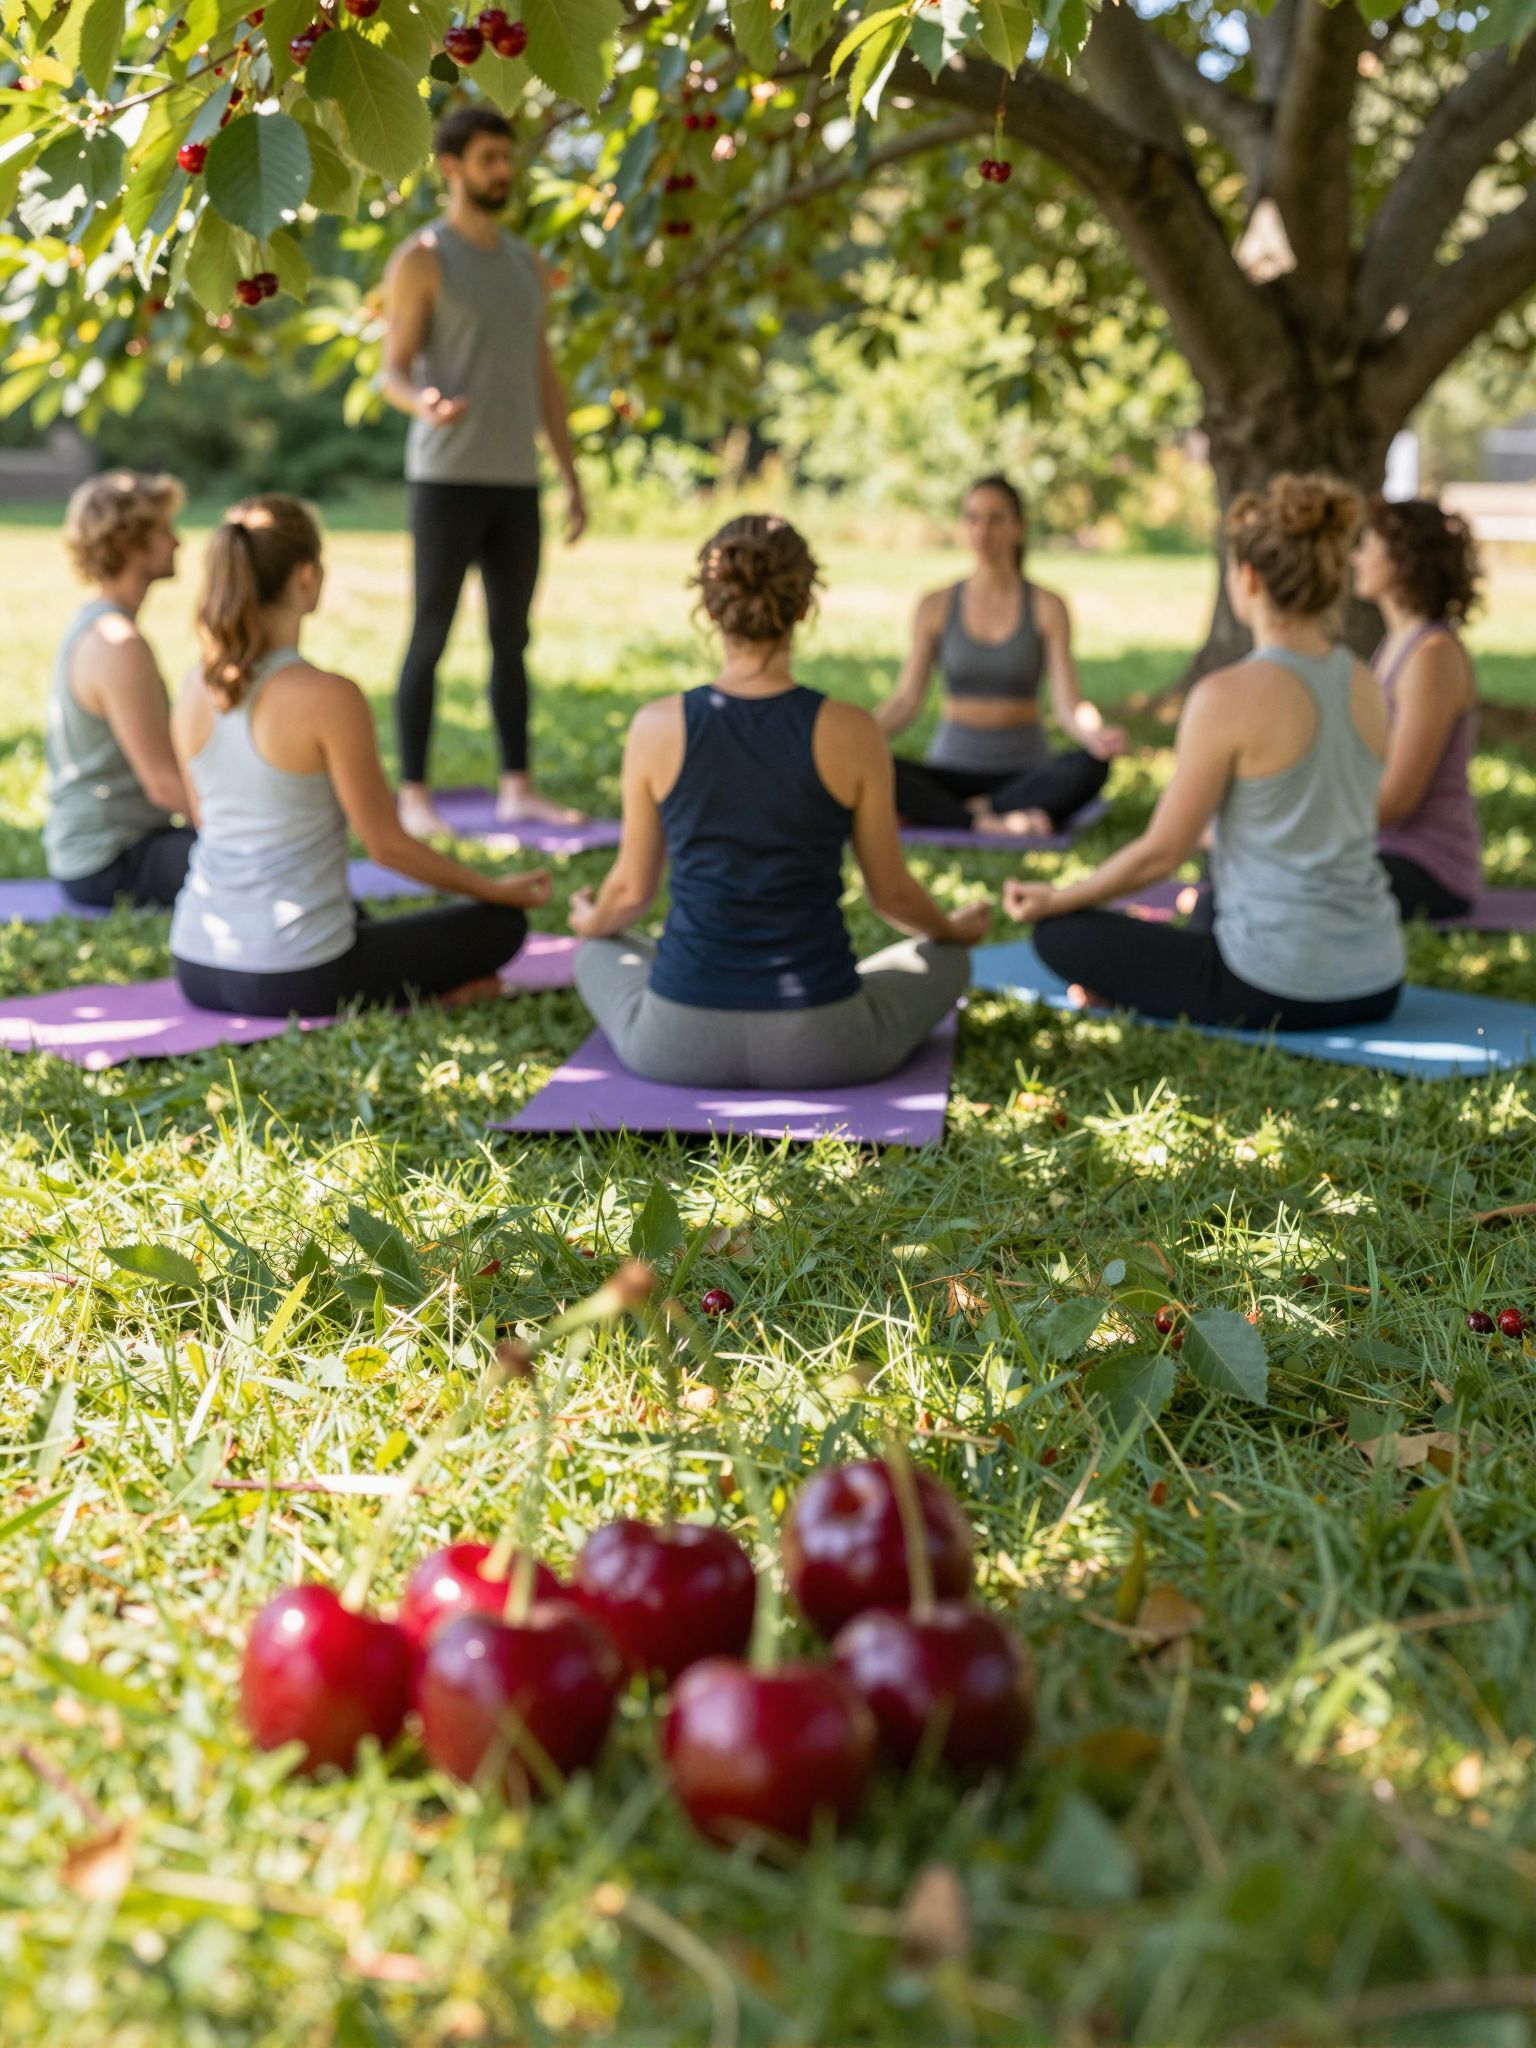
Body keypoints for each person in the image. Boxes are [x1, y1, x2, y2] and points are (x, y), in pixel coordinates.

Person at [568, 516, 988, 1089]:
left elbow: (629, 894)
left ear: (711, 609)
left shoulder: (655, 727)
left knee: (597, 949)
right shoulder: (854, 731)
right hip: (824, 1043)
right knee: (947, 957)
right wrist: (952, 930)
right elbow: (891, 894)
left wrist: (588, 920)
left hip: (675, 1043)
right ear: (804, 608)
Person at [1002, 474, 1405, 1031]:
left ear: (1248, 578)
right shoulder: (1365, 682)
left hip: (1273, 985)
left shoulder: (1225, 695)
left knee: (1061, 936)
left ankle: (1134, 989)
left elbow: (1160, 854)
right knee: (1211, 896)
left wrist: (1059, 899)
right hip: (1378, 979)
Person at [169, 496, 549, 1019]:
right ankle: (438, 994)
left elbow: (203, 819)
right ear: (307, 578)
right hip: (299, 978)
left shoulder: (194, 687)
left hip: (196, 964)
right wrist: (496, 890)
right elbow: (387, 846)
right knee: (501, 925)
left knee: (359, 916)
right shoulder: (329, 696)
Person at [381, 104, 587, 838]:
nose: (504, 171)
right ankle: (412, 795)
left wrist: (570, 477)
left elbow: (544, 378)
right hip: (446, 479)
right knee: (430, 634)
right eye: (490, 158)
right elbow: (391, 371)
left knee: (512, 639)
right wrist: (423, 402)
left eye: (508, 158)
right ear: (452, 166)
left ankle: (517, 787)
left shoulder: (527, 263)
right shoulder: (422, 258)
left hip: (515, 481)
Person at [876, 475, 1124, 836]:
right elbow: (906, 700)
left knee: (1092, 766)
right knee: (878, 767)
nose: (982, 531)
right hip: (950, 769)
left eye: (995, 519)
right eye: (972, 518)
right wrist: (861, 734)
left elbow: (1068, 701)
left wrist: (1096, 734)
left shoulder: (1046, 606)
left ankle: (963, 815)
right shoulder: (935, 605)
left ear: (1019, 527)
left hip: (1024, 773)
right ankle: (991, 818)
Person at [45, 470, 195, 909]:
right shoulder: (118, 645)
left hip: (132, 842)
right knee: (264, 867)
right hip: (110, 862)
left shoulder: (103, 625)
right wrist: (244, 839)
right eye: (164, 529)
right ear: (129, 542)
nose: (177, 542)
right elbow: (165, 787)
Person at [1352, 496, 1483, 921]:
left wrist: (1309, 830)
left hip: (1429, 867)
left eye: (1366, 547)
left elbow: (1398, 799)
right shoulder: (1395, 646)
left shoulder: (1432, 655)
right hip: (1384, 851)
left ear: (1401, 561)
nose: (1356, 558)